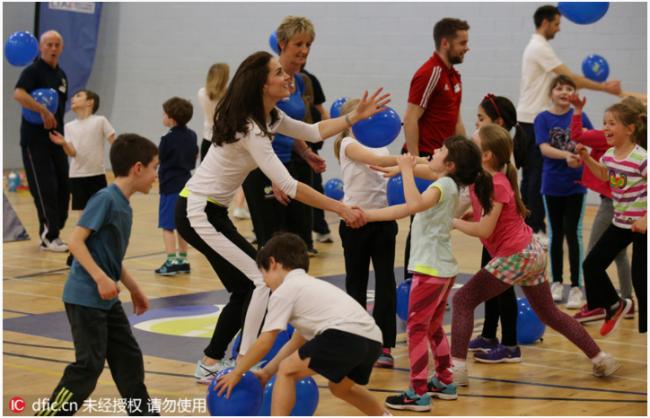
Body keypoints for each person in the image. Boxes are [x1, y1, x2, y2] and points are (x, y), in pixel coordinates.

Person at [174, 50, 390, 384]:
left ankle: (216, 360)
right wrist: (341, 208)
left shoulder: (269, 117)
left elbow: (314, 131)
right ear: (262, 85)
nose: (286, 76)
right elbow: (289, 185)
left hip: (211, 210)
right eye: (278, 72)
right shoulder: (251, 128)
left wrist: (352, 118)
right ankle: (235, 361)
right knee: (259, 280)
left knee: (247, 286)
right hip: (198, 211)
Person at [450, 124, 619, 388]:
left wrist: (455, 223)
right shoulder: (491, 176)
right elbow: (493, 217)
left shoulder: (495, 182)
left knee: (462, 300)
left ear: (486, 155)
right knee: (550, 314)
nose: (469, 147)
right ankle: (600, 357)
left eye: (474, 144)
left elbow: (484, 229)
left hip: (516, 255)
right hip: (531, 252)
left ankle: (456, 369)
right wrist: (476, 213)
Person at [36, 134, 159, 416]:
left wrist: (133, 287)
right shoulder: (105, 199)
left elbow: (110, 257)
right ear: (138, 168)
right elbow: (76, 242)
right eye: (154, 168)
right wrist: (101, 278)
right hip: (85, 297)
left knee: (128, 359)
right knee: (88, 367)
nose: (156, 176)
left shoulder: (123, 204)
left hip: (107, 299)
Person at [366, 137, 486, 411]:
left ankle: (417, 392)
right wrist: (403, 167)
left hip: (431, 270)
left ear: (451, 164)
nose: (434, 150)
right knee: (431, 327)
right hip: (442, 269)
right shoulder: (449, 183)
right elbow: (425, 177)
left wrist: (406, 171)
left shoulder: (442, 185)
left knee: (416, 328)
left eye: (441, 150)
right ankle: (444, 380)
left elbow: (415, 204)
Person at [214, 233, 390, 416]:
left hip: (344, 336)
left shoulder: (284, 291)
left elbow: (266, 341)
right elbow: (296, 343)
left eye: (263, 273)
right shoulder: (310, 287)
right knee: (340, 388)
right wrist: (266, 372)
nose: (264, 282)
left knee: (287, 371)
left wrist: (237, 372)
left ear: (273, 263)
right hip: (373, 339)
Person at [517, 4, 622, 244]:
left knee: (532, 177)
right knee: (534, 177)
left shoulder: (539, 47)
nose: (558, 29)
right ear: (545, 23)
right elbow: (571, 78)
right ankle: (533, 229)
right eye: (556, 24)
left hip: (530, 117)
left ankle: (532, 226)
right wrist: (604, 87)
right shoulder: (538, 47)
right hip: (531, 119)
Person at [242, 16, 326, 254]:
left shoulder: (300, 81)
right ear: (281, 43)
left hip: (290, 163)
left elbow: (285, 125)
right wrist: (272, 175)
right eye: (298, 44)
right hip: (262, 168)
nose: (304, 50)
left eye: (308, 45)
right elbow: (256, 126)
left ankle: (295, 291)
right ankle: (267, 290)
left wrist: (305, 151)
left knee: (298, 240)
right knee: (272, 242)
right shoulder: (264, 80)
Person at [402, 17, 469, 281]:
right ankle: (414, 281)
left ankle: (432, 278)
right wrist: (418, 161)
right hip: (429, 160)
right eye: (462, 42)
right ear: (445, 42)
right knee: (420, 224)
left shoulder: (454, 75)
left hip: (446, 164)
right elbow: (410, 118)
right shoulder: (430, 73)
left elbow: (456, 121)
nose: (467, 48)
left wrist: (468, 156)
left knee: (436, 224)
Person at [333, 99, 399, 369]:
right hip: (354, 222)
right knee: (356, 283)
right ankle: (357, 338)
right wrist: (412, 159)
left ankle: (384, 345)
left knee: (385, 283)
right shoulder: (348, 143)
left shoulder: (380, 143)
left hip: (382, 220)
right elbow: (377, 162)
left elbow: (387, 169)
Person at [578, 102, 647, 336]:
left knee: (641, 281)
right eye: (604, 123)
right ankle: (615, 304)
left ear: (629, 129)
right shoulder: (609, 155)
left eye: (611, 123)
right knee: (591, 265)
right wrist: (587, 159)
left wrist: (646, 219)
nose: (605, 128)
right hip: (621, 223)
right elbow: (605, 176)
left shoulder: (641, 158)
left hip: (642, 227)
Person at [467, 94, 524, 363]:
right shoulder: (489, 168)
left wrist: (455, 222)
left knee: (503, 290)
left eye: (481, 119)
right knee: (492, 286)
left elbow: (493, 213)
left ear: (497, 123)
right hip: (494, 242)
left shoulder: (499, 175)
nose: (476, 124)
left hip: (506, 245)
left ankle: (511, 344)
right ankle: (489, 334)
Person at [535, 75, 593, 308]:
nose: (563, 92)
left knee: (573, 233)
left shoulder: (579, 115)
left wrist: (580, 156)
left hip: (576, 185)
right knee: (555, 234)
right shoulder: (543, 118)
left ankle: (577, 287)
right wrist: (566, 155)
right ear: (551, 93)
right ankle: (557, 282)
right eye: (559, 88)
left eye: (569, 88)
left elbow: (589, 141)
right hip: (552, 185)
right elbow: (544, 148)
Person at [13, 30, 70, 252]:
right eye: (49, 45)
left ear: (62, 48)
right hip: (34, 140)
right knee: (44, 186)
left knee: (64, 187)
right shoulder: (33, 71)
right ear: (41, 48)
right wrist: (42, 110)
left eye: (57, 45)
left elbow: (61, 108)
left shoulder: (62, 75)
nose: (53, 48)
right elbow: (18, 94)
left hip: (55, 139)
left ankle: (54, 228)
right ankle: (49, 235)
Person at [48, 89, 116, 266]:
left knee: (100, 215)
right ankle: (79, 253)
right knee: (82, 217)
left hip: (97, 175)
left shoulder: (100, 121)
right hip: (77, 176)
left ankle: (99, 250)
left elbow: (114, 142)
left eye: (79, 96)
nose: (73, 98)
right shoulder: (69, 126)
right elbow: (72, 153)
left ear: (90, 102)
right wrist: (63, 143)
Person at [155, 97, 198, 276]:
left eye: (165, 113)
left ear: (171, 119)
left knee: (167, 225)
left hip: (169, 184)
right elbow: (194, 156)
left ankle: (171, 260)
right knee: (182, 223)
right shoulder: (192, 135)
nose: (163, 116)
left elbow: (160, 158)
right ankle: (183, 259)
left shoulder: (167, 138)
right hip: (186, 182)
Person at [302, 65, 333, 243]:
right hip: (308, 151)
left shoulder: (311, 110)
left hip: (308, 154)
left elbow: (319, 129)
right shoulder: (308, 111)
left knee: (311, 192)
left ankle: (316, 232)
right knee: (313, 191)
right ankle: (319, 230)